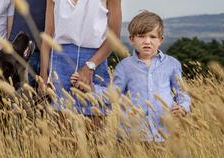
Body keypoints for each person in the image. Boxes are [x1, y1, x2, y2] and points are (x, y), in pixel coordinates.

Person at [73, 10, 191, 141]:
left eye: (152, 37)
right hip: (132, 135)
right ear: (132, 39)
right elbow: (113, 94)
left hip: (163, 134)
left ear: (160, 40)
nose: (147, 41)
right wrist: (90, 88)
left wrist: (183, 107)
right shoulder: (124, 66)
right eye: (141, 36)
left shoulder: (172, 64)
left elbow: (182, 93)